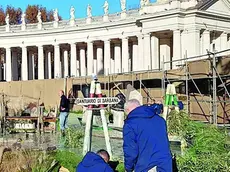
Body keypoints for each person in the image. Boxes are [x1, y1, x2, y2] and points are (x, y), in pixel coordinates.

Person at [123, 99, 172, 172]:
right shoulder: (160, 120)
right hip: (165, 164)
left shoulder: (130, 124)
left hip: (146, 165)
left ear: (128, 110)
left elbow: (130, 150)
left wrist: (128, 168)